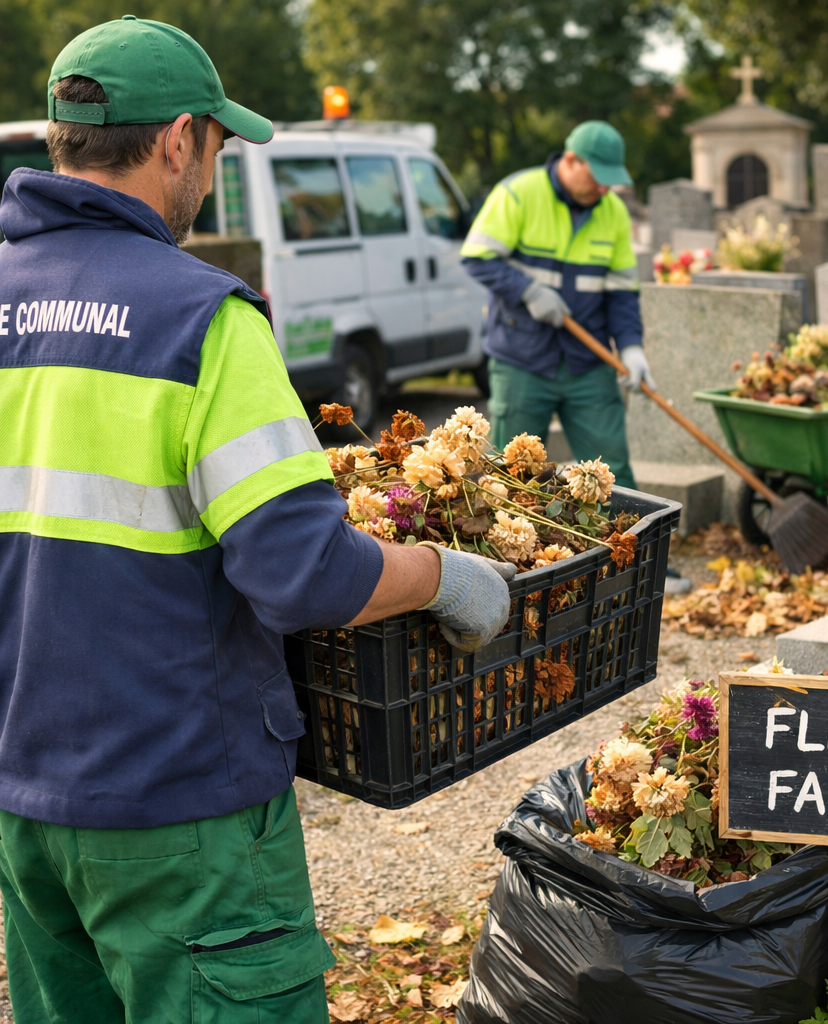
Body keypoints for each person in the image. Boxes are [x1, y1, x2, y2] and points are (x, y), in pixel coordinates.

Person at [0, 16, 511, 1024]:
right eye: (219, 147)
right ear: (179, 140)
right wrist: (445, 574)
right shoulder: (202, 319)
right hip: (183, 807)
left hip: (26, 804)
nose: (211, 171)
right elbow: (306, 574)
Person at [461, 120, 654, 490]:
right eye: (598, 177)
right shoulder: (518, 193)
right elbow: (477, 257)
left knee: (613, 478)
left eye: (610, 180)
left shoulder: (613, 211)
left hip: (588, 362)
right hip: (522, 361)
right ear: (570, 160)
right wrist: (527, 290)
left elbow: (621, 293)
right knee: (510, 478)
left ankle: (630, 548)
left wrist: (631, 347)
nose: (603, 188)